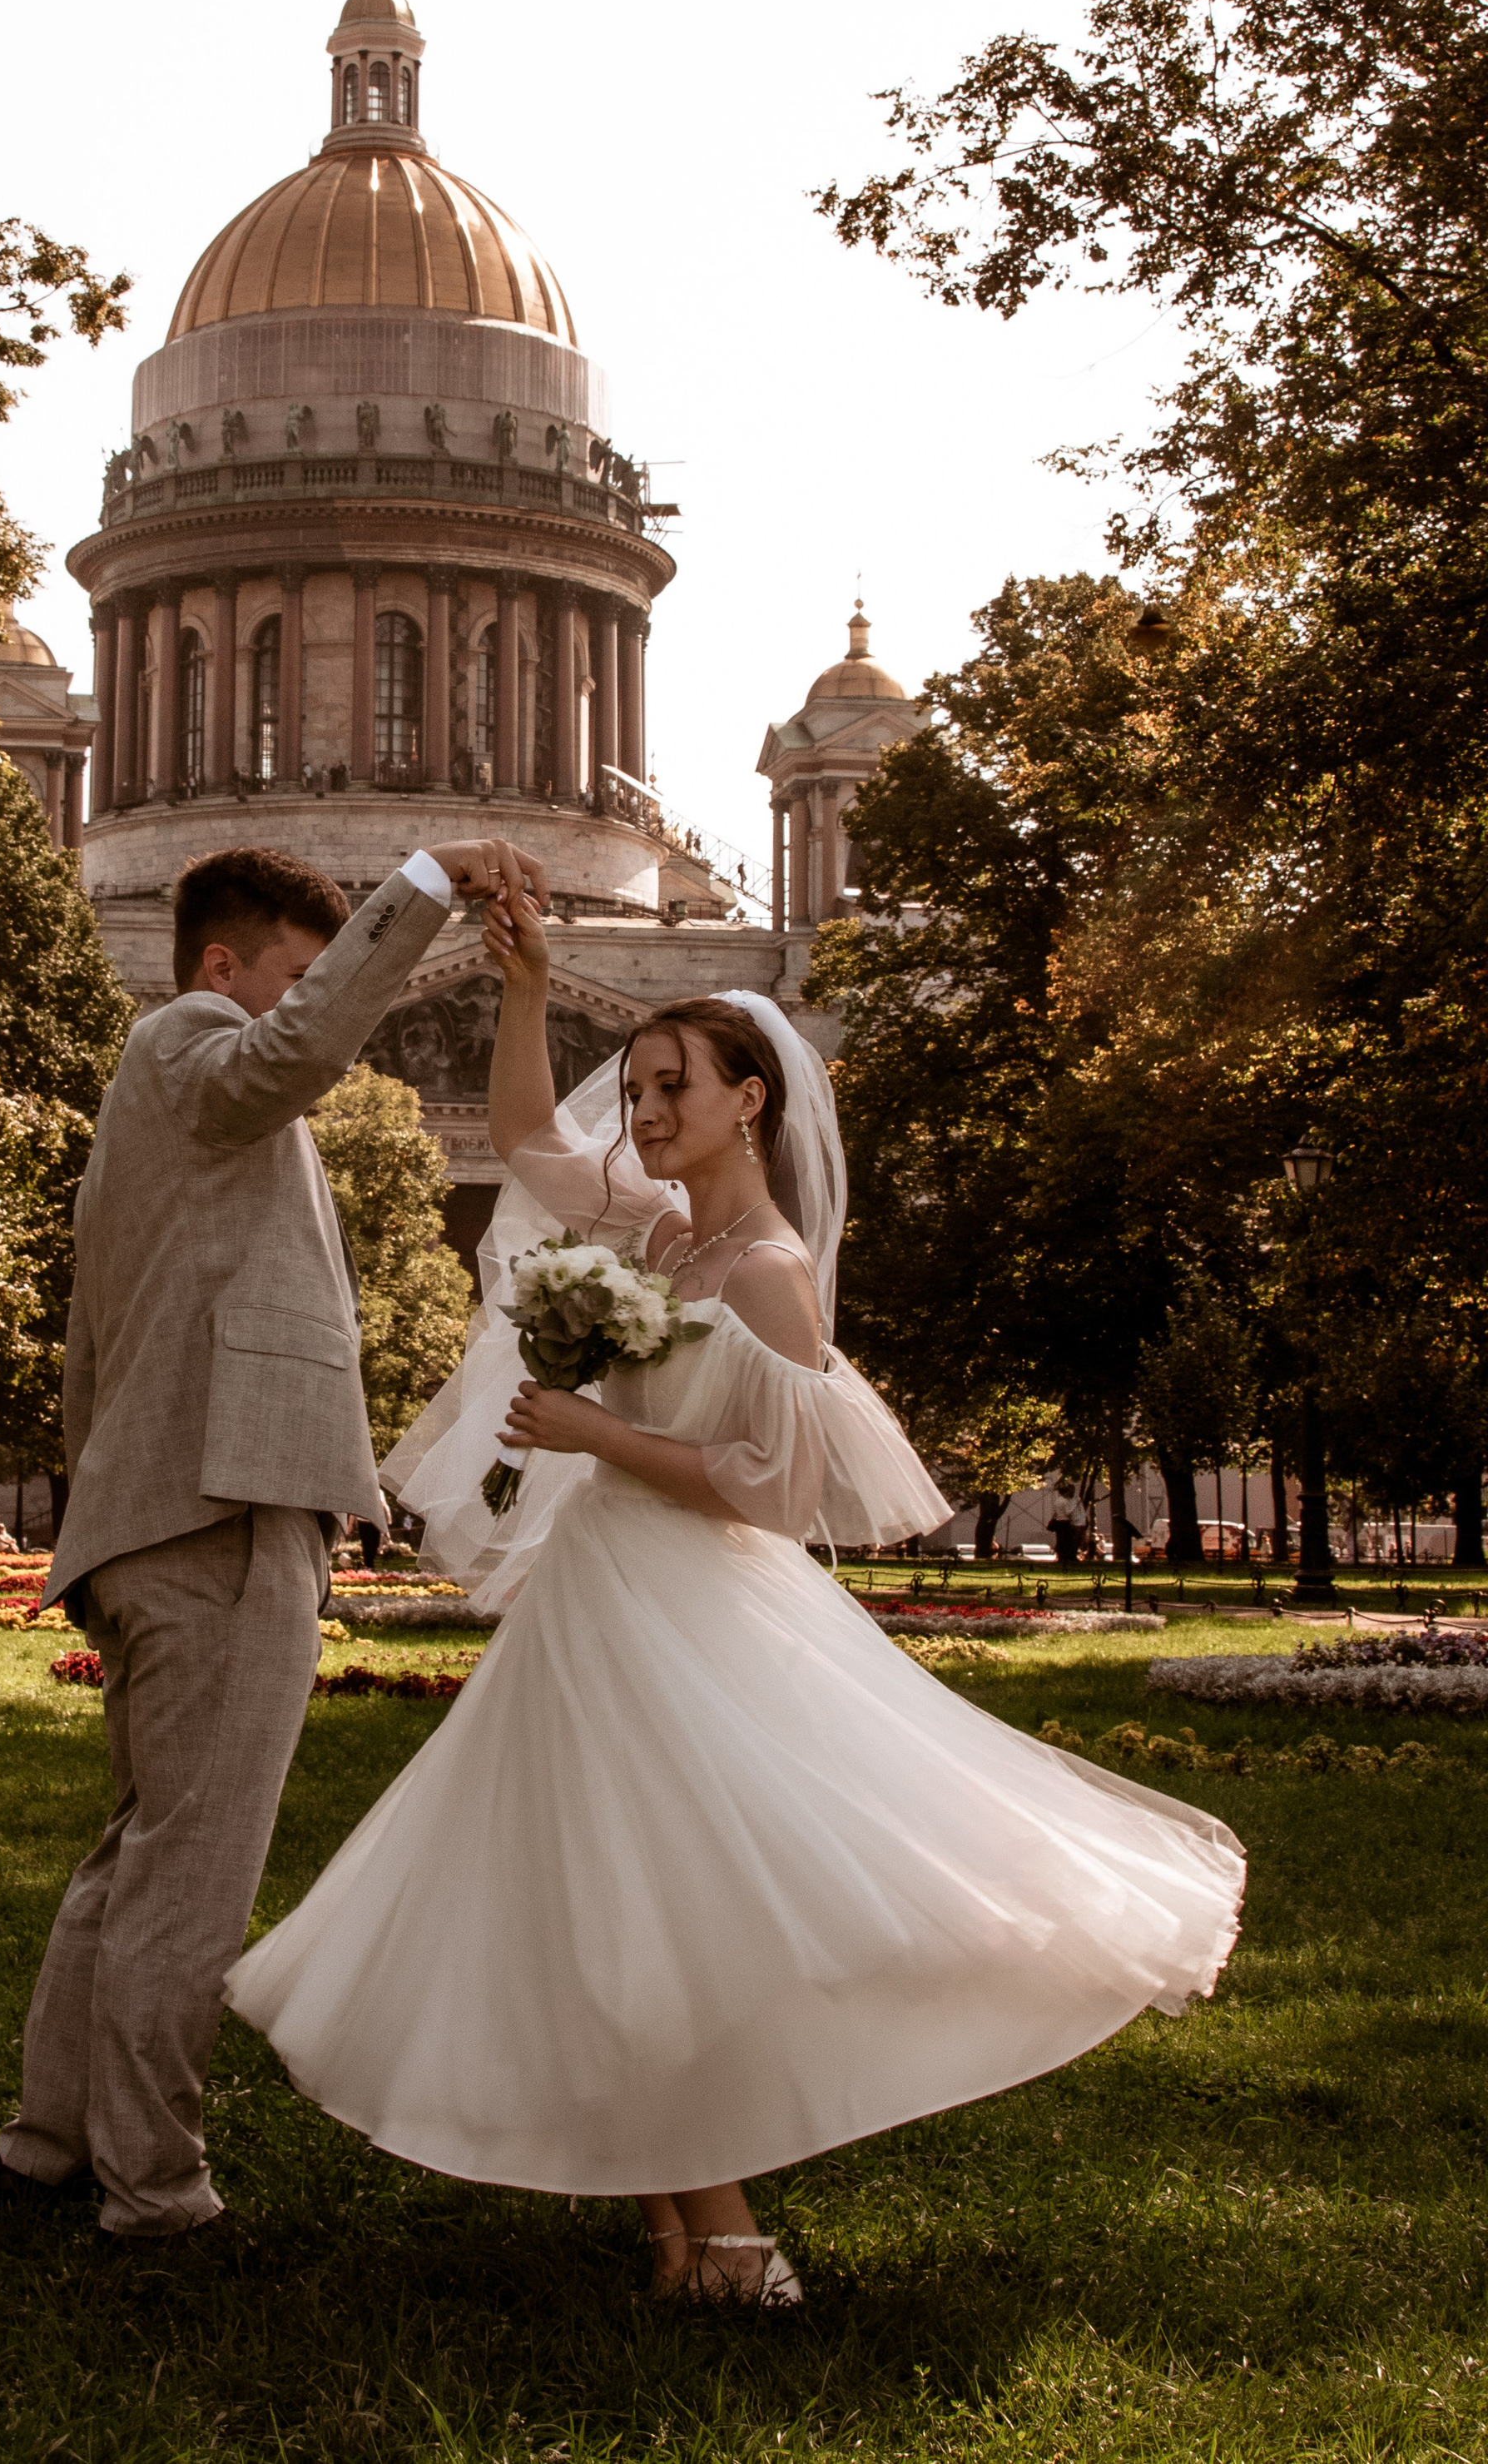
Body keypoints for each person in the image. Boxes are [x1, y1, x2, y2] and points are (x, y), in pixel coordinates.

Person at [227, 892, 1246, 2309]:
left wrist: (596, 1434)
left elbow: (775, 1490)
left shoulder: (766, 1276)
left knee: (671, 1905)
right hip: (604, 1595)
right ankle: (680, 2240)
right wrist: (526, 986)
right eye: (636, 1089)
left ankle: (734, 2238)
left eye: (671, 1089)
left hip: (690, 1608)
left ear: (748, 1100)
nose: (642, 1114)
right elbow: (525, 1137)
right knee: (597, 1899)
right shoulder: (658, 1239)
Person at [0, 834, 547, 2243]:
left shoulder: (181, 1109)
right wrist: (424, 885)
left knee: (137, 1851)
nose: (317, 1009)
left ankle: (50, 2147)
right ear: (224, 968)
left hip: (167, 1504)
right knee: (192, 1873)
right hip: (221, 1506)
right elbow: (289, 1054)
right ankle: (156, 2189)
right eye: (299, 978)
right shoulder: (187, 1041)